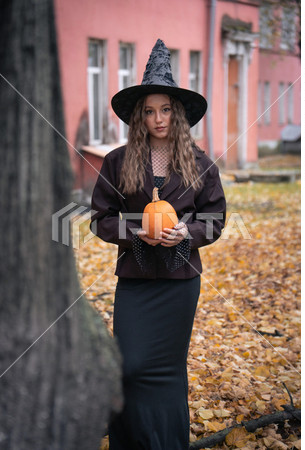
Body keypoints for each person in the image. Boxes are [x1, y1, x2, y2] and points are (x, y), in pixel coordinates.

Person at [91, 39, 226, 450]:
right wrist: (135, 232)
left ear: (178, 114)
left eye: (165, 109)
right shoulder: (117, 161)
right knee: (129, 367)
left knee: (168, 372)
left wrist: (188, 233)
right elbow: (100, 218)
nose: (158, 118)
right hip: (135, 281)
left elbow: (215, 218)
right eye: (149, 111)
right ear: (139, 116)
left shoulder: (200, 163)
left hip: (179, 281)